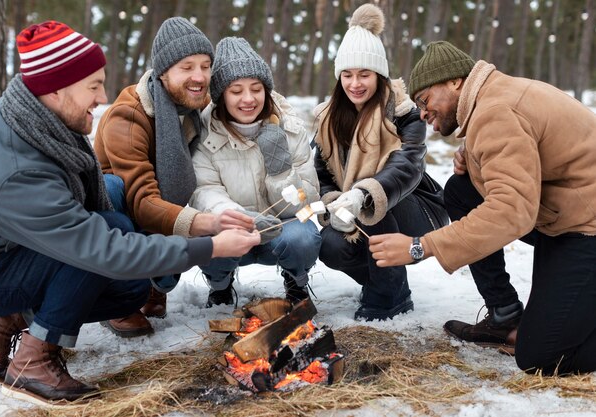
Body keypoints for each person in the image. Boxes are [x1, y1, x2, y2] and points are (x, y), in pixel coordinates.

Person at [0, 21, 260, 405]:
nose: (102, 96)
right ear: (55, 89)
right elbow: (105, 249)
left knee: (120, 248)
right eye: (92, 86)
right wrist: (209, 245)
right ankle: (33, 361)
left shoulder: (27, 110)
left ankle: (3, 319)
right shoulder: (21, 175)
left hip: (3, 248)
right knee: (106, 258)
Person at [368, 40, 596, 375]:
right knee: (461, 190)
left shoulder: (494, 112)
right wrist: (474, 161)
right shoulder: (494, 100)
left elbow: (511, 212)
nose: (422, 112)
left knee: (541, 356)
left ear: (455, 82)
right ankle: (505, 314)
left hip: (586, 227)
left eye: (425, 99)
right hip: (567, 215)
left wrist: (421, 246)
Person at [94, 17, 255, 336]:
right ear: (163, 72)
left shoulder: (193, 107)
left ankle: (157, 285)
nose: (199, 77)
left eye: (205, 66)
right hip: (124, 213)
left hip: (163, 210)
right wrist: (211, 224)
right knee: (112, 190)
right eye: (187, 67)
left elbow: (249, 102)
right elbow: (141, 201)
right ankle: (115, 296)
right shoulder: (127, 117)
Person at [314, 4, 448, 321]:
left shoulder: (404, 113)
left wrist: (362, 194)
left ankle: (390, 298)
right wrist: (335, 201)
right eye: (347, 75)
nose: (355, 83)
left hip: (415, 211)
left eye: (364, 74)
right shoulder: (328, 119)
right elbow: (320, 172)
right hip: (355, 209)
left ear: (379, 75)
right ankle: (381, 280)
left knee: (378, 204)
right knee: (330, 246)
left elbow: (408, 166)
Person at [190, 37, 322, 305]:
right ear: (221, 96)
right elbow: (204, 192)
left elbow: (307, 199)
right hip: (233, 232)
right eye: (236, 91)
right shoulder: (204, 134)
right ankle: (221, 285)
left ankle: (296, 281)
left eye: (256, 89)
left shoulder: (290, 129)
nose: (248, 99)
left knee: (303, 234)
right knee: (205, 234)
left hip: (281, 229)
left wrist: (280, 171)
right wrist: (239, 217)